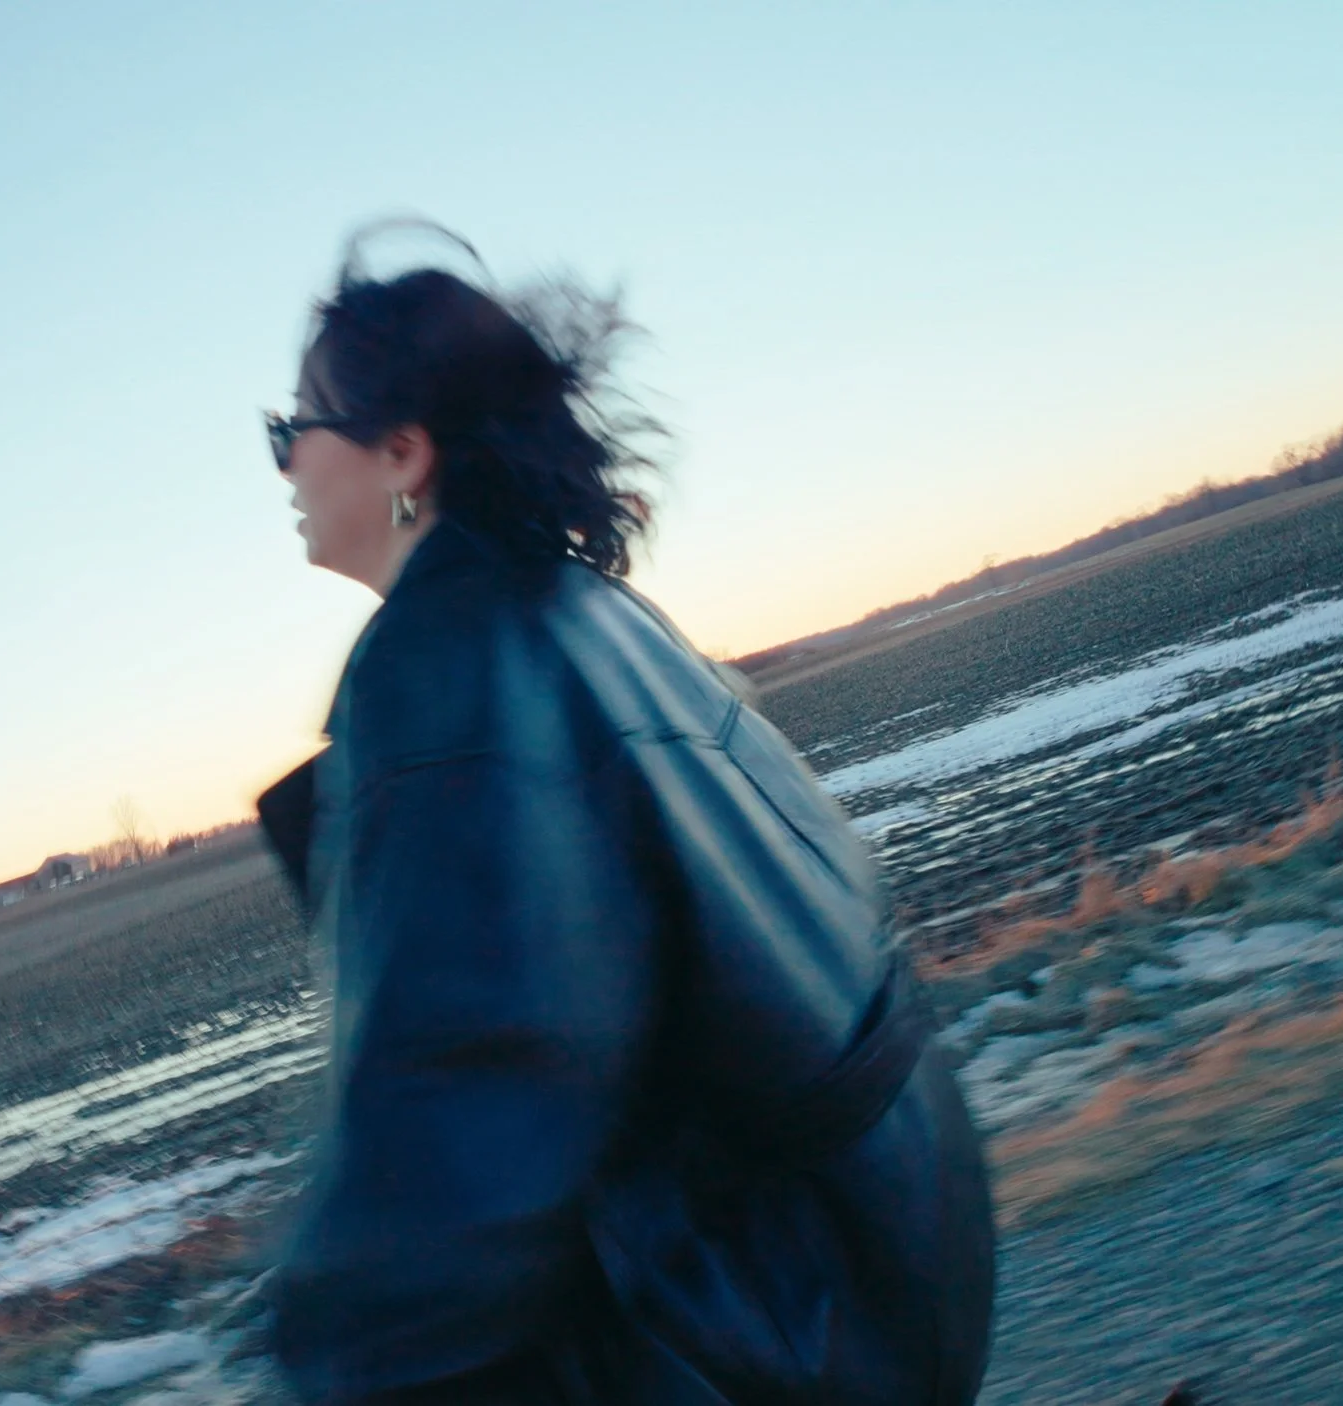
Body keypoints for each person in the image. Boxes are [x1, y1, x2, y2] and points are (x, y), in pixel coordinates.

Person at [253, 225, 996, 1406]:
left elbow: (471, 1086)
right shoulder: (589, 613)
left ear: (401, 451)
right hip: (880, 1262)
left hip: (752, 1330)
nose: (284, 465)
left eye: (294, 429)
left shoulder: (448, 663)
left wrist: (351, 1363)